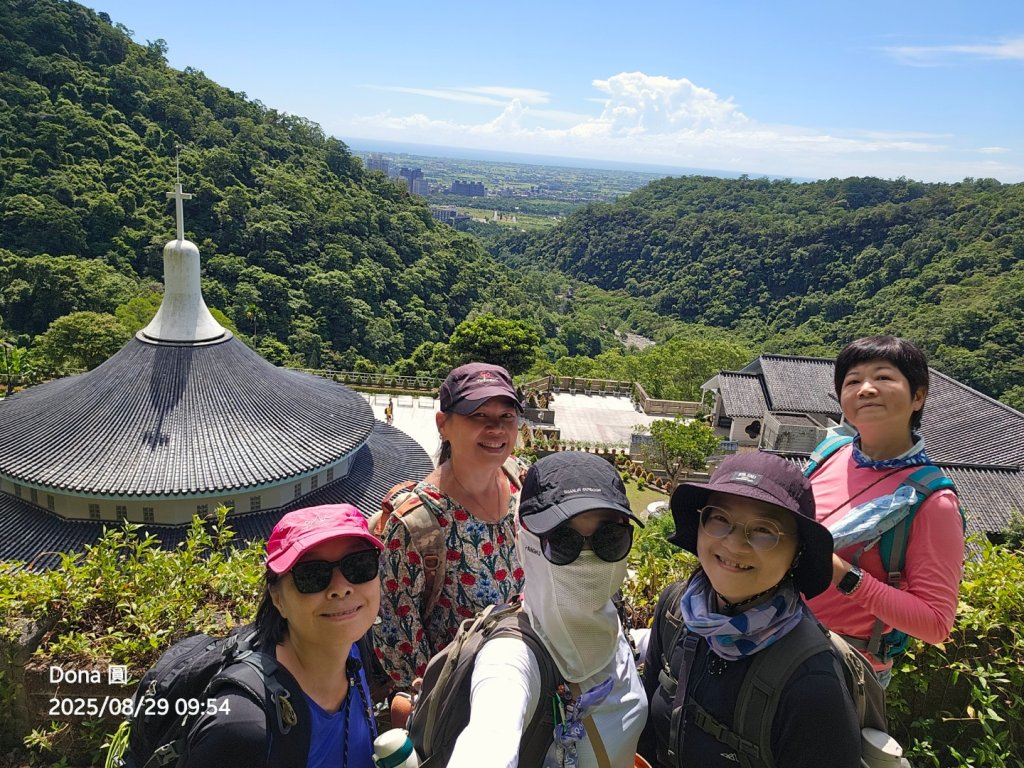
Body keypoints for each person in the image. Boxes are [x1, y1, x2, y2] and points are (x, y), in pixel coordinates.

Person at [639, 452, 860, 768]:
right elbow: (647, 733)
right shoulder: (676, 610)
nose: (733, 544)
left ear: (798, 552)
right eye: (720, 518)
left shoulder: (813, 686)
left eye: (764, 529)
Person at [447, 451, 648, 767]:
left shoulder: (609, 617)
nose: (588, 558)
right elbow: (489, 738)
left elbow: (625, 646)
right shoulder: (510, 659)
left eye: (609, 538)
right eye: (563, 541)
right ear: (523, 539)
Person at [806, 335, 964, 685]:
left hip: (842, 667)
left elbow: (935, 623)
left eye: (883, 377)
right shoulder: (831, 451)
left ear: (918, 396)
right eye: (852, 380)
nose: (865, 389)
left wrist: (841, 573)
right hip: (774, 634)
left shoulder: (931, 500)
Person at [182, 504, 382, 767]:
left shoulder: (353, 650)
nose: (341, 588)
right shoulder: (243, 727)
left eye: (359, 565)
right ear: (277, 598)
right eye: (311, 575)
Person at [374, 362, 528, 689]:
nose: (496, 429)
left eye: (506, 417)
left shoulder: (519, 482)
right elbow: (400, 638)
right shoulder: (418, 523)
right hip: (458, 706)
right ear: (443, 424)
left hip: (528, 683)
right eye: (478, 416)